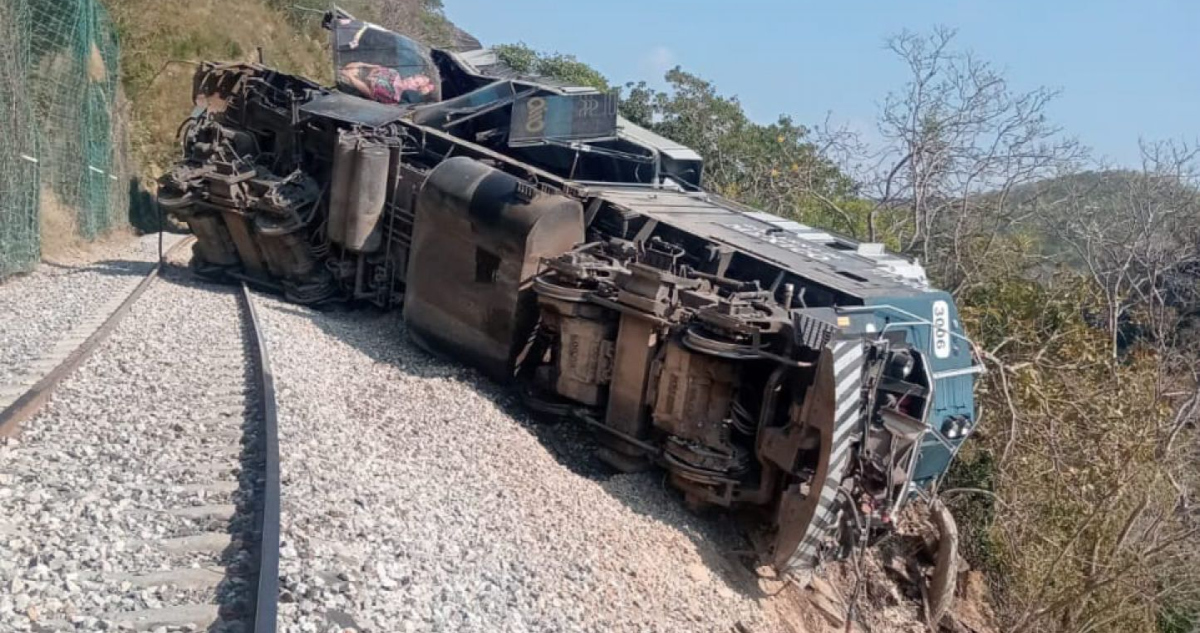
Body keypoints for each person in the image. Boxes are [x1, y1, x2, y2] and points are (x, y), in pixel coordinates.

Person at [337, 61, 437, 105]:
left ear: (415, 90)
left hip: (350, 89)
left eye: (415, 83)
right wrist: (363, 65)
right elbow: (375, 67)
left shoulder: (394, 97)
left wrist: (349, 77)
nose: (410, 80)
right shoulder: (395, 73)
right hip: (354, 74)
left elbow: (368, 92)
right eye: (413, 77)